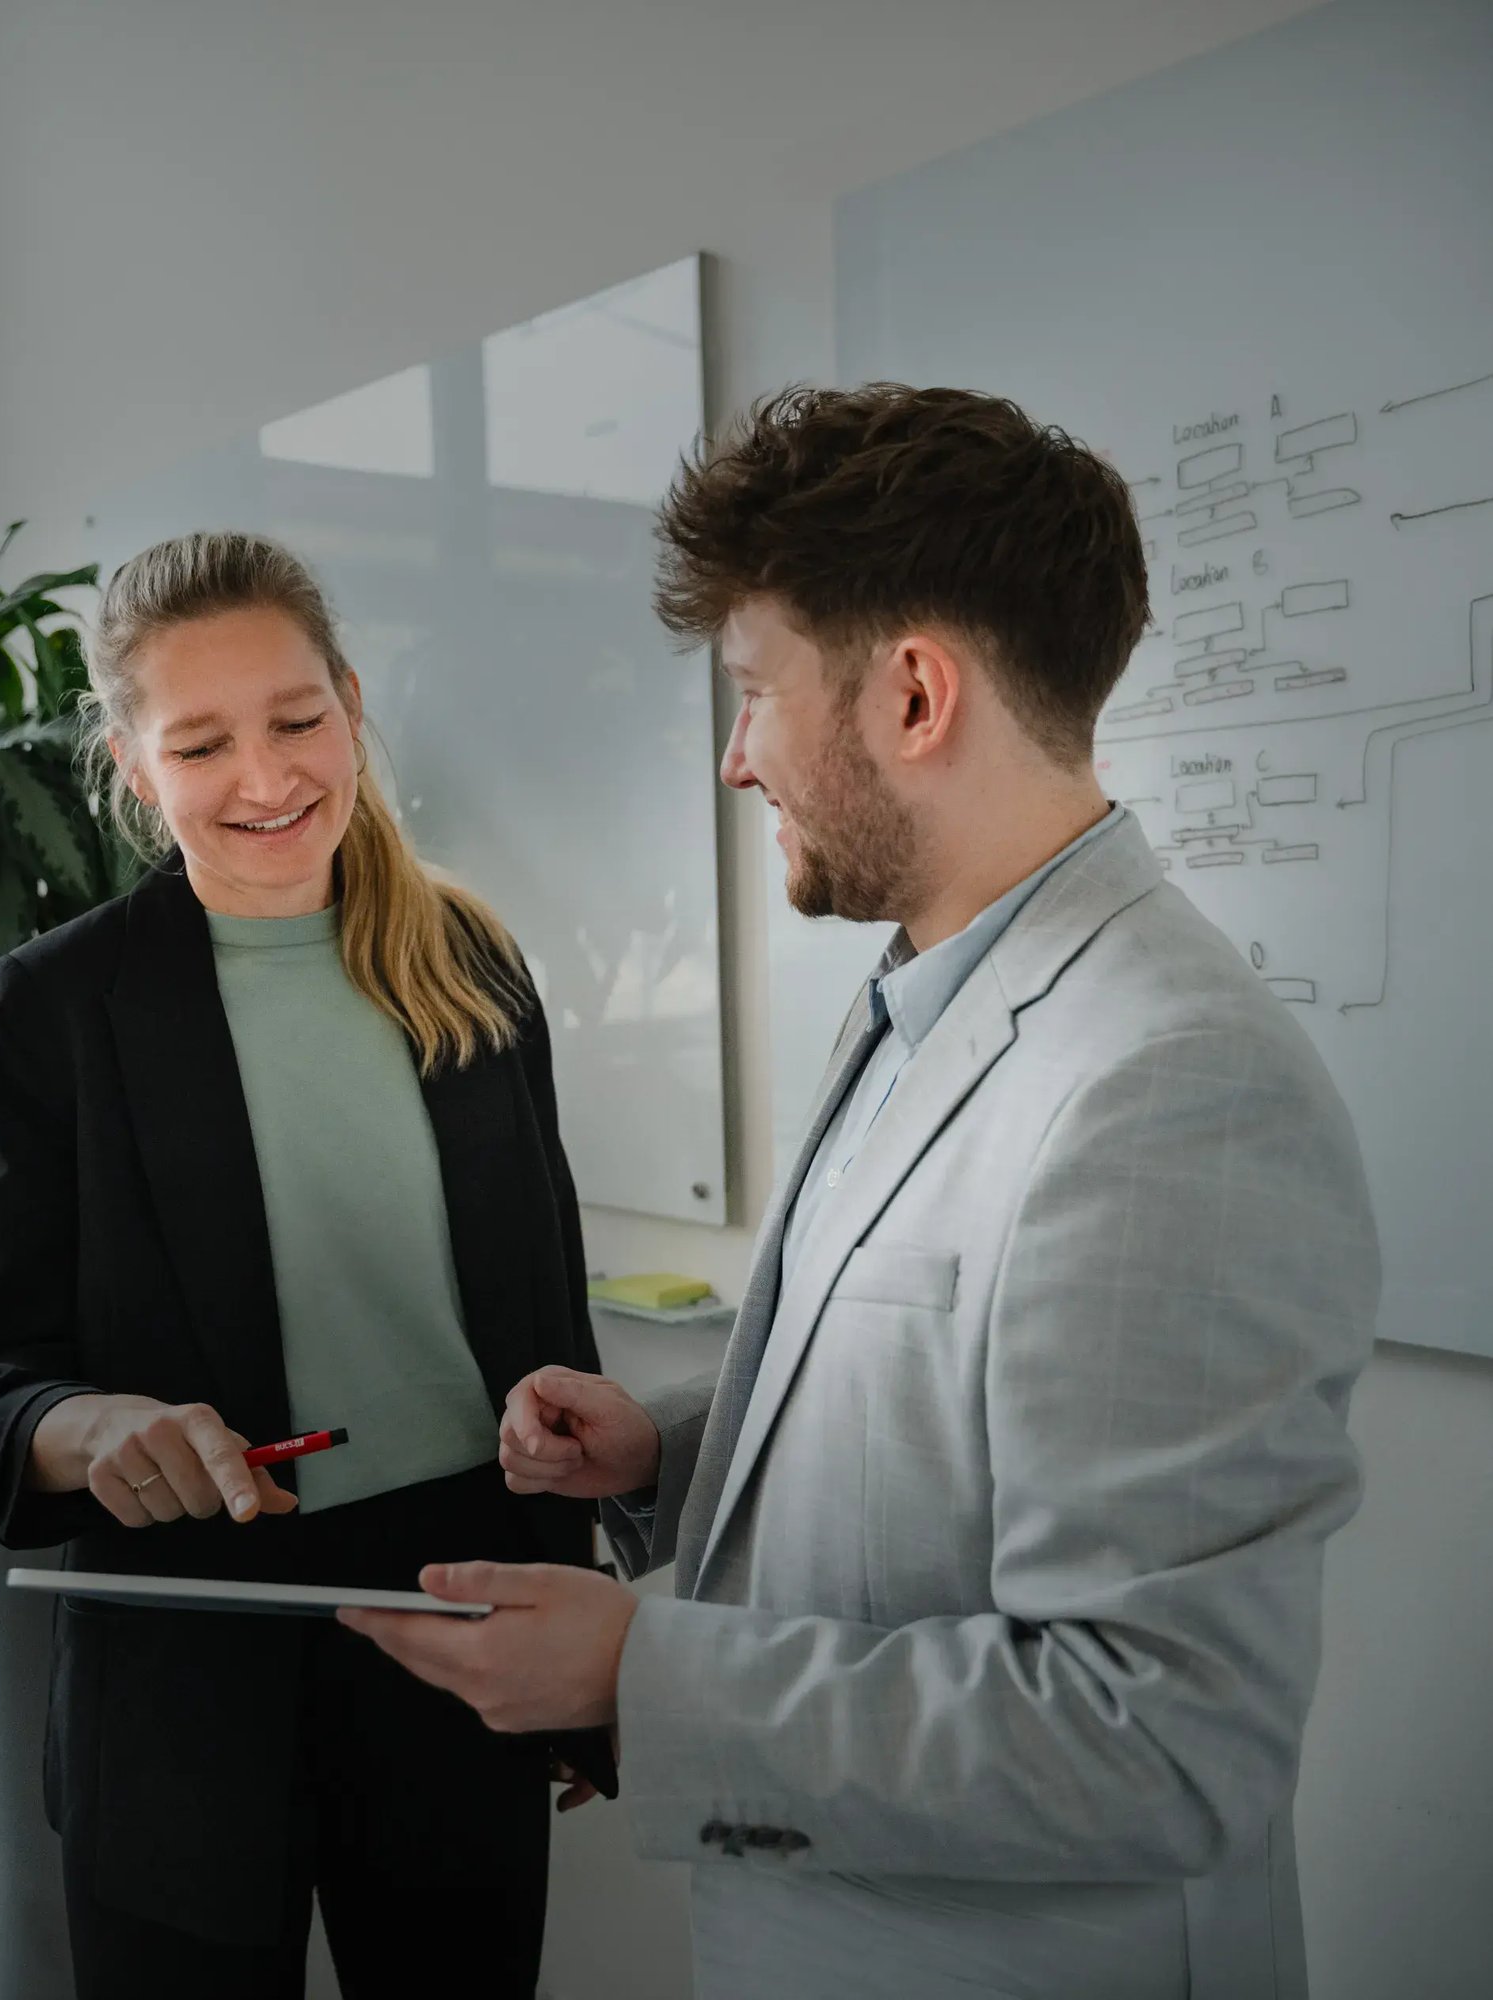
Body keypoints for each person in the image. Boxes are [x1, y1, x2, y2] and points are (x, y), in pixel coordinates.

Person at [340, 385, 1381, 2000]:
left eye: (752, 692)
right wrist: (666, 1458)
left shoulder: (1172, 1088)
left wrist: (641, 1675)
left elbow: (1160, 1741)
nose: (733, 758)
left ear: (910, 695)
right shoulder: (923, 989)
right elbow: (937, 1424)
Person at [0, 530, 609, 2000]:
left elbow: (547, 1329)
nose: (266, 777)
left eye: (298, 721)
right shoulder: (59, 1005)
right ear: (130, 764)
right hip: (187, 1650)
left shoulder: (474, 968)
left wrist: (570, 1650)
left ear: (351, 705)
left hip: (452, 1609)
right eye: (201, 743)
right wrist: (87, 1426)